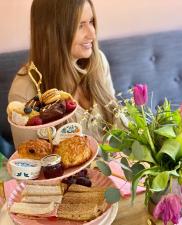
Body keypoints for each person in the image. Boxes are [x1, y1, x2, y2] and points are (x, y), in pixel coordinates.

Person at [8, 0, 118, 147]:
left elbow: (116, 128)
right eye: (79, 26)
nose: (92, 33)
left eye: (91, 21)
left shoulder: (99, 62)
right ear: (51, 31)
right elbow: (30, 163)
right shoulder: (24, 90)